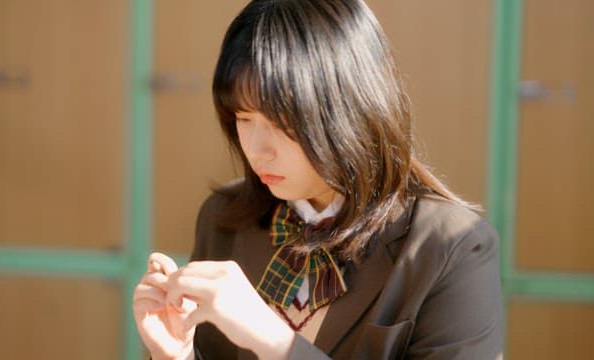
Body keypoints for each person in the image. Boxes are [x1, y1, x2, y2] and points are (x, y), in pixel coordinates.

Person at [132, 0, 503, 359]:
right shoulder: (224, 218)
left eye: (282, 123)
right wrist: (175, 355)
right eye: (243, 119)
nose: (257, 149)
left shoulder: (451, 248)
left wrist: (277, 343)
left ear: (352, 107)